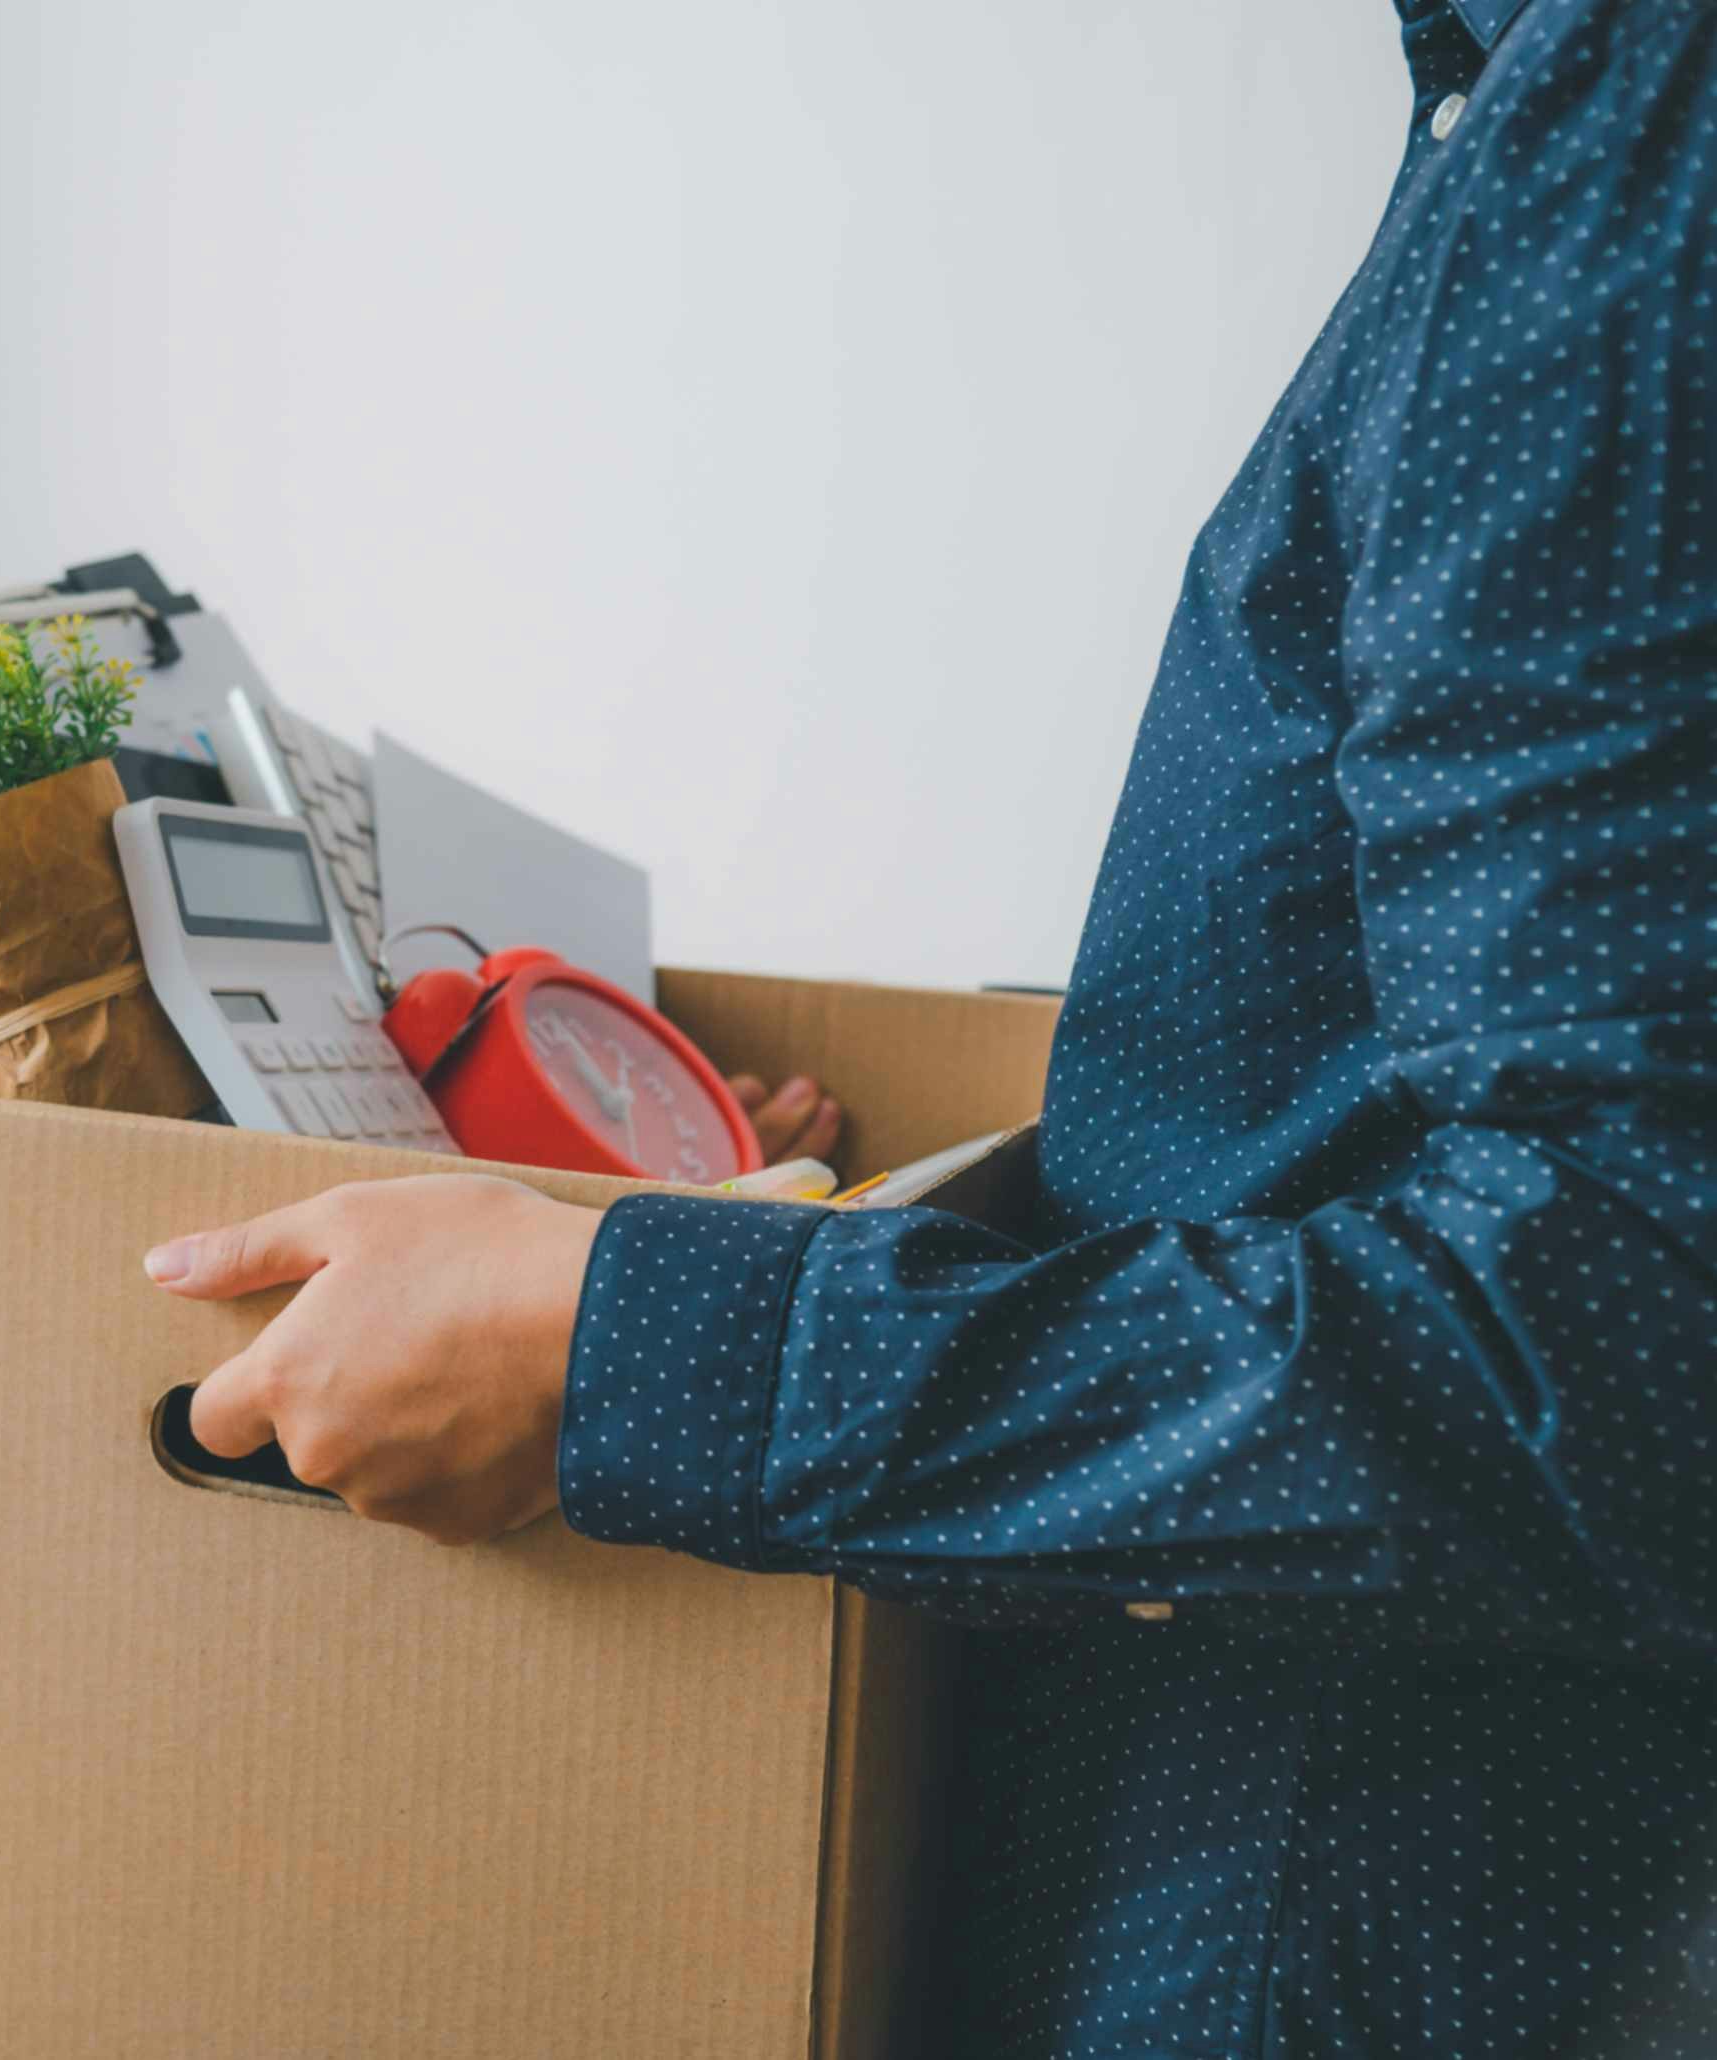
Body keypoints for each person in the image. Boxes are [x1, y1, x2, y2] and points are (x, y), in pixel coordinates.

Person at [144, 2, 1717, 2052]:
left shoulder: (1637, 113)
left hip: (1369, 1911)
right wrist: (817, 1230)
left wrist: (629, 1340)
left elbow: (1613, 1341)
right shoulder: (1529, 104)